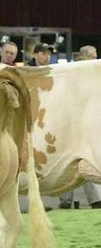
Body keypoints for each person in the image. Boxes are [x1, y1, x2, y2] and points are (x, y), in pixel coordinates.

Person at [59, 45, 101, 209]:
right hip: (69, 128)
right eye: (93, 57)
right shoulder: (70, 78)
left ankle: (95, 199)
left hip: (84, 128)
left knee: (87, 163)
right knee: (70, 164)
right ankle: (66, 200)